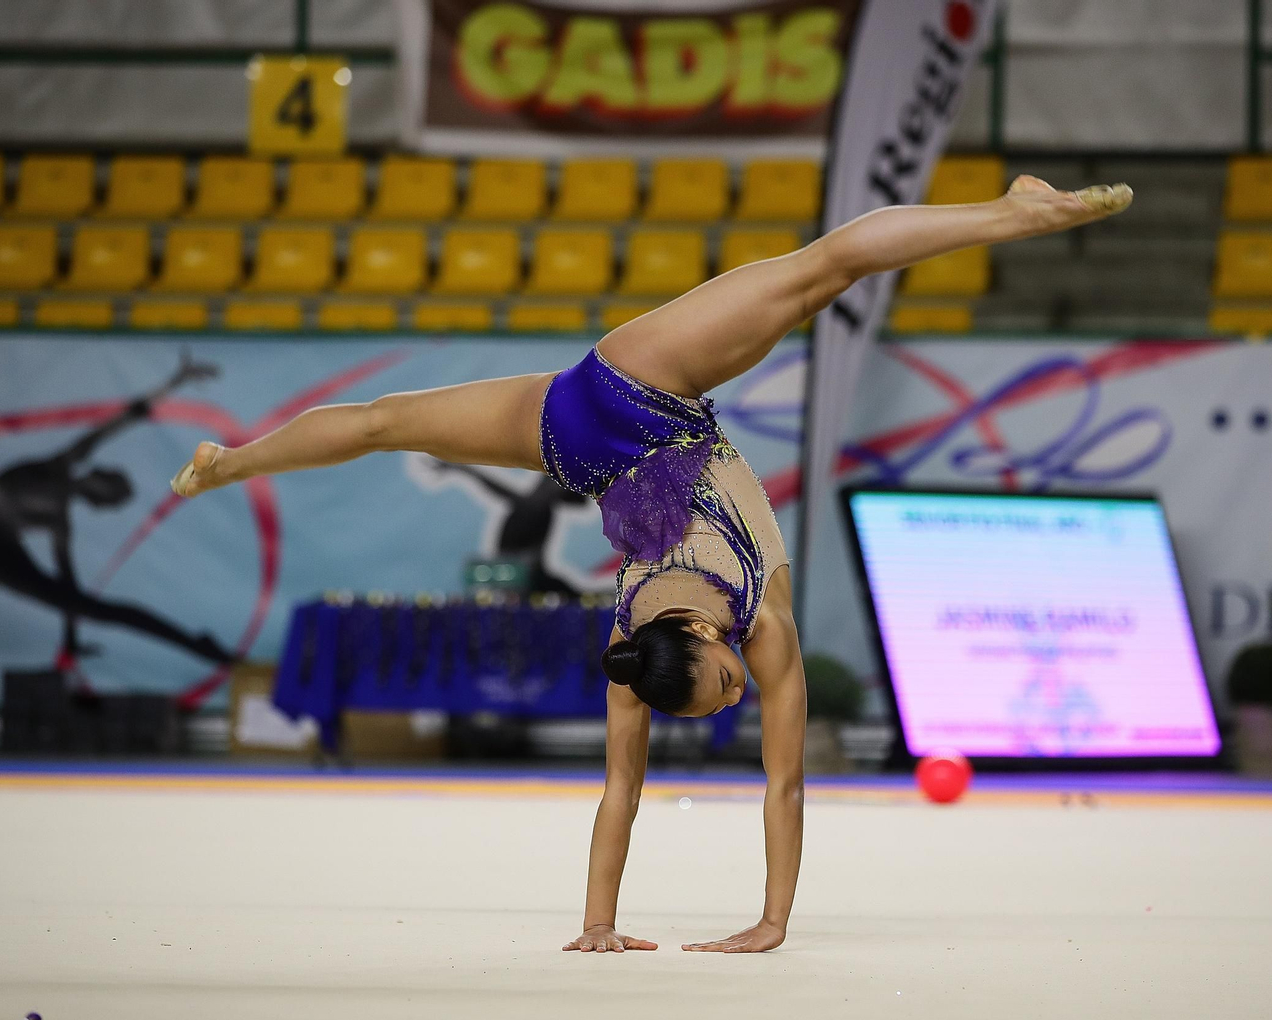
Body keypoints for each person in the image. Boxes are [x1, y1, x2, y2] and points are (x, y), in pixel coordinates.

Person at [171, 176, 1133, 953]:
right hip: (572, 438)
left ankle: (1014, 210)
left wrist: (770, 922)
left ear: (707, 638)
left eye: (720, 691)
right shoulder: (639, 655)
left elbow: (764, 785)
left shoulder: (761, 628)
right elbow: (634, 792)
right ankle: (233, 461)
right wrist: (605, 925)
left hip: (644, 389)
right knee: (384, 422)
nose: (734, 701)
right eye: (724, 704)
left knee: (825, 266)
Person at [0, 355, 231, 668]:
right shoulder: (62, 466)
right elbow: (123, 420)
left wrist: (70, 641)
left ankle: (195, 644)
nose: (102, 477)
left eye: (109, 486)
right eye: (109, 476)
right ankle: (195, 644)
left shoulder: (59, 520)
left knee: (98, 611)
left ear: (99, 501)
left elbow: (68, 591)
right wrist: (173, 383)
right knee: (93, 609)